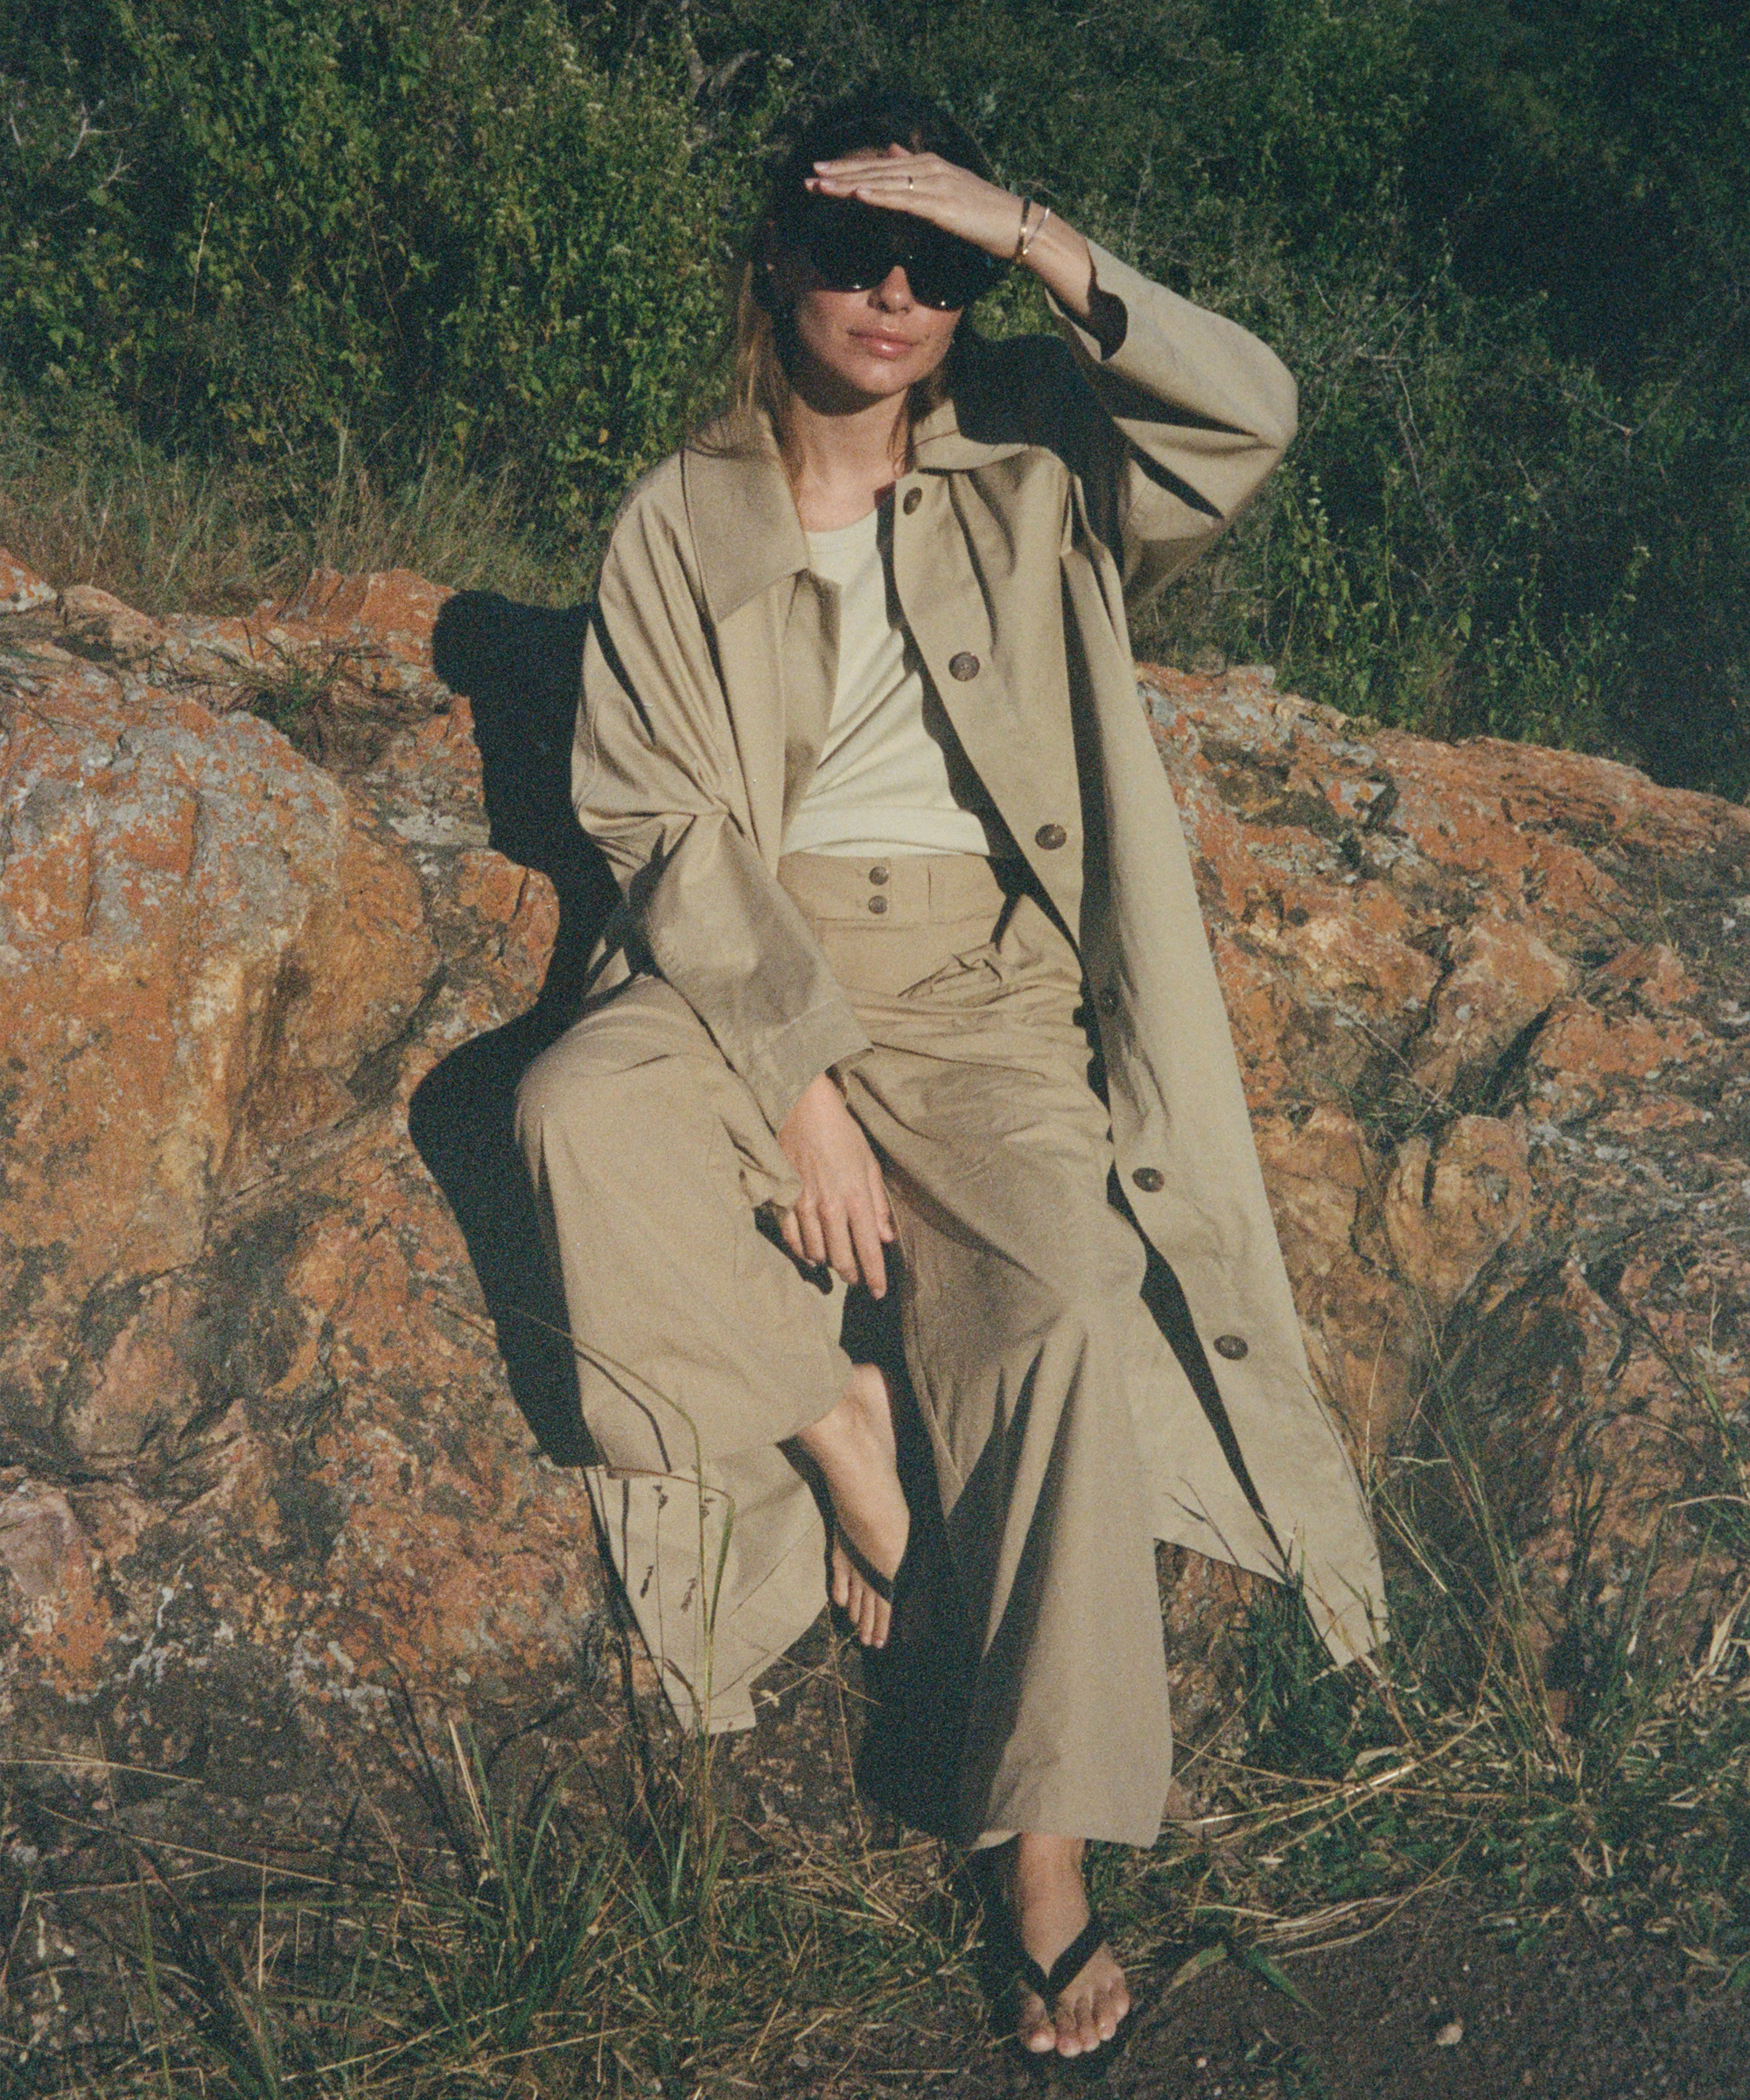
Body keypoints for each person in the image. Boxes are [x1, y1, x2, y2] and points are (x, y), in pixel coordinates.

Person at [516, 85, 1383, 2062]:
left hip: (988, 979)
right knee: (576, 1115)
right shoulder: (682, 512)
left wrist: (1041, 232)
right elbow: (655, 818)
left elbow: (1248, 412)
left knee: (1065, 1302)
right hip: (762, 959)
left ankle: (1043, 1846)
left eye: (935, 264)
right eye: (852, 251)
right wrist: (804, 1081)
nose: (893, 291)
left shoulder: (1039, 473)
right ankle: (836, 1422)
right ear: (778, 266)